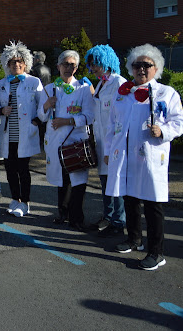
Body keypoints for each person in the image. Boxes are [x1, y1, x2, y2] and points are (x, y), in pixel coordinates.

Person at [105, 44, 183, 270]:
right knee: (129, 199)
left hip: (150, 157)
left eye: (146, 65)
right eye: (136, 65)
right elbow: (112, 126)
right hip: (125, 156)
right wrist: (108, 152)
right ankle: (134, 239)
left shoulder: (166, 93)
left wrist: (163, 131)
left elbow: (180, 122)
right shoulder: (123, 95)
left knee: (152, 204)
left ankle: (157, 252)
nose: (141, 69)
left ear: (156, 68)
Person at [39, 50, 94, 230]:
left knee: (77, 181)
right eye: (65, 64)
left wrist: (68, 121)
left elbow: (89, 116)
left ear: (77, 68)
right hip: (55, 141)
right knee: (62, 181)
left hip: (76, 141)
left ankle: (77, 218)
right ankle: (62, 213)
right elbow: (41, 116)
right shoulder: (48, 89)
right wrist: (47, 105)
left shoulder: (83, 89)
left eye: (72, 65)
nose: (68, 68)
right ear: (58, 66)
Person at [0, 41, 43, 218]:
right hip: (8, 134)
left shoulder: (34, 81)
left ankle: (25, 202)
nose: (16, 64)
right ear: (7, 64)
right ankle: (15, 199)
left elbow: (42, 105)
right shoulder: (2, 83)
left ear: (26, 63)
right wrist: (1, 110)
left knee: (23, 169)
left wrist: (36, 122)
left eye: (19, 61)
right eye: (12, 62)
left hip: (25, 133)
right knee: (9, 169)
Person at [84, 44, 127, 237]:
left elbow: (123, 116)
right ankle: (108, 217)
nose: (92, 68)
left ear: (106, 62)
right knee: (104, 181)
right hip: (101, 141)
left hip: (115, 143)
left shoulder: (119, 83)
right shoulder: (101, 84)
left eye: (95, 64)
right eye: (91, 64)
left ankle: (119, 222)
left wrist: (114, 146)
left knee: (116, 182)